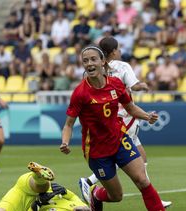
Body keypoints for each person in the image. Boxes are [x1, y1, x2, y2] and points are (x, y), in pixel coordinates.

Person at [60, 45, 166, 211]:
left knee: (143, 180)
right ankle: (96, 195)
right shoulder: (80, 93)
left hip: (120, 140)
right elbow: (68, 124)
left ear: (103, 61)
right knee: (116, 196)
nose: (89, 63)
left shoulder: (116, 84)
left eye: (93, 59)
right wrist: (65, 142)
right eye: (85, 61)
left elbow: (130, 108)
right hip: (97, 151)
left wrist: (147, 116)